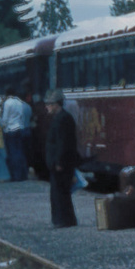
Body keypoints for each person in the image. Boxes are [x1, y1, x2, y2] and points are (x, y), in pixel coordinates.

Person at [44, 89, 80, 228]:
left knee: (60, 193)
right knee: (60, 192)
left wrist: (59, 161)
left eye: (48, 104)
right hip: (61, 162)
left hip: (61, 163)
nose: (46, 107)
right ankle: (64, 219)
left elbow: (62, 143)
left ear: (55, 105)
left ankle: (63, 220)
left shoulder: (62, 119)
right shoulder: (62, 118)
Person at [2, 89, 32, 181]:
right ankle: (23, 174)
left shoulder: (8, 103)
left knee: (12, 153)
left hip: (10, 130)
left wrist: (3, 127)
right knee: (21, 152)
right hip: (22, 129)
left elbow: (5, 119)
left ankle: (15, 175)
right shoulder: (24, 105)